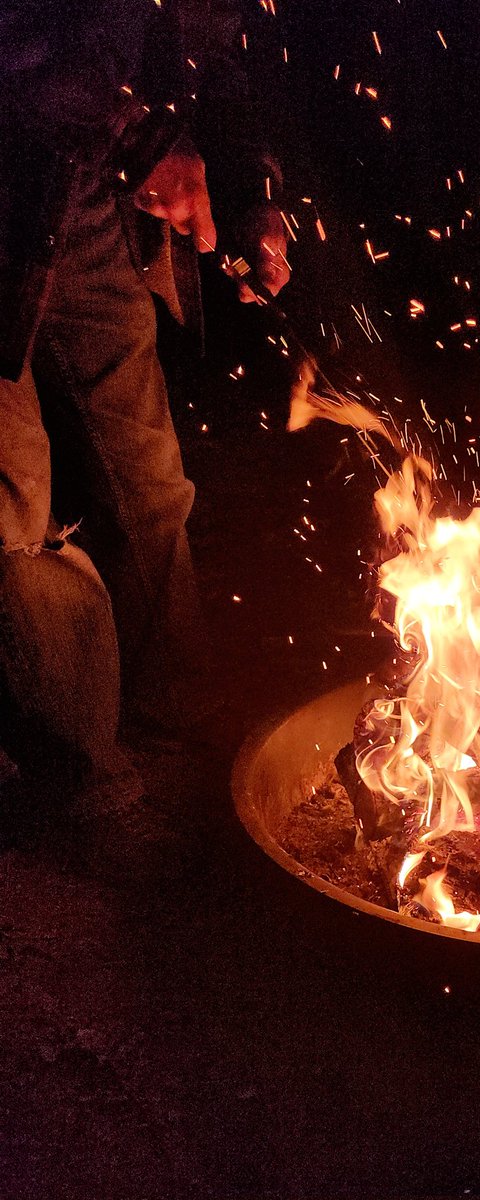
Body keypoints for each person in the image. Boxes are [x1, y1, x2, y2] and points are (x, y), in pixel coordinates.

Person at [0, 1, 289, 846]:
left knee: (147, 475)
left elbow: (215, 50)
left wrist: (250, 196)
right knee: (15, 506)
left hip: (84, 198)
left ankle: (175, 698)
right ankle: (80, 779)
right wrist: (138, 138)